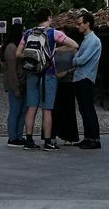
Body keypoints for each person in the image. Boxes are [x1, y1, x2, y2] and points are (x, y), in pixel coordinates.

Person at [16, 8, 78, 151]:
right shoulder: (53, 33)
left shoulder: (28, 33)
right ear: (49, 18)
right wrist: (55, 51)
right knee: (47, 109)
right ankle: (48, 142)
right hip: (48, 74)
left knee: (31, 108)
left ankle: (29, 140)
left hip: (32, 74)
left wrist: (32, 57)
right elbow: (74, 45)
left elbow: (18, 54)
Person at [72, 10, 103, 150]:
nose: (77, 26)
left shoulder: (93, 41)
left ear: (87, 24)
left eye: (79, 24)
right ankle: (88, 137)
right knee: (84, 110)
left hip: (85, 78)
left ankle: (94, 139)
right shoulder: (87, 40)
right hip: (80, 78)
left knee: (88, 109)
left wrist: (75, 60)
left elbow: (80, 59)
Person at [1, 23, 25, 146]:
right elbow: (11, 70)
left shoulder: (16, 46)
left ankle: (18, 136)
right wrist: (15, 87)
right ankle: (13, 137)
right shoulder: (11, 48)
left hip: (20, 82)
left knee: (21, 111)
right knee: (15, 110)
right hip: (14, 83)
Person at [51, 46, 80, 145]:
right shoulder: (53, 49)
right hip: (55, 82)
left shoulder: (73, 49)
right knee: (54, 110)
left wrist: (67, 72)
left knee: (68, 110)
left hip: (68, 81)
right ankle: (52, 135)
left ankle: (68, 136)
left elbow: (77, 65)